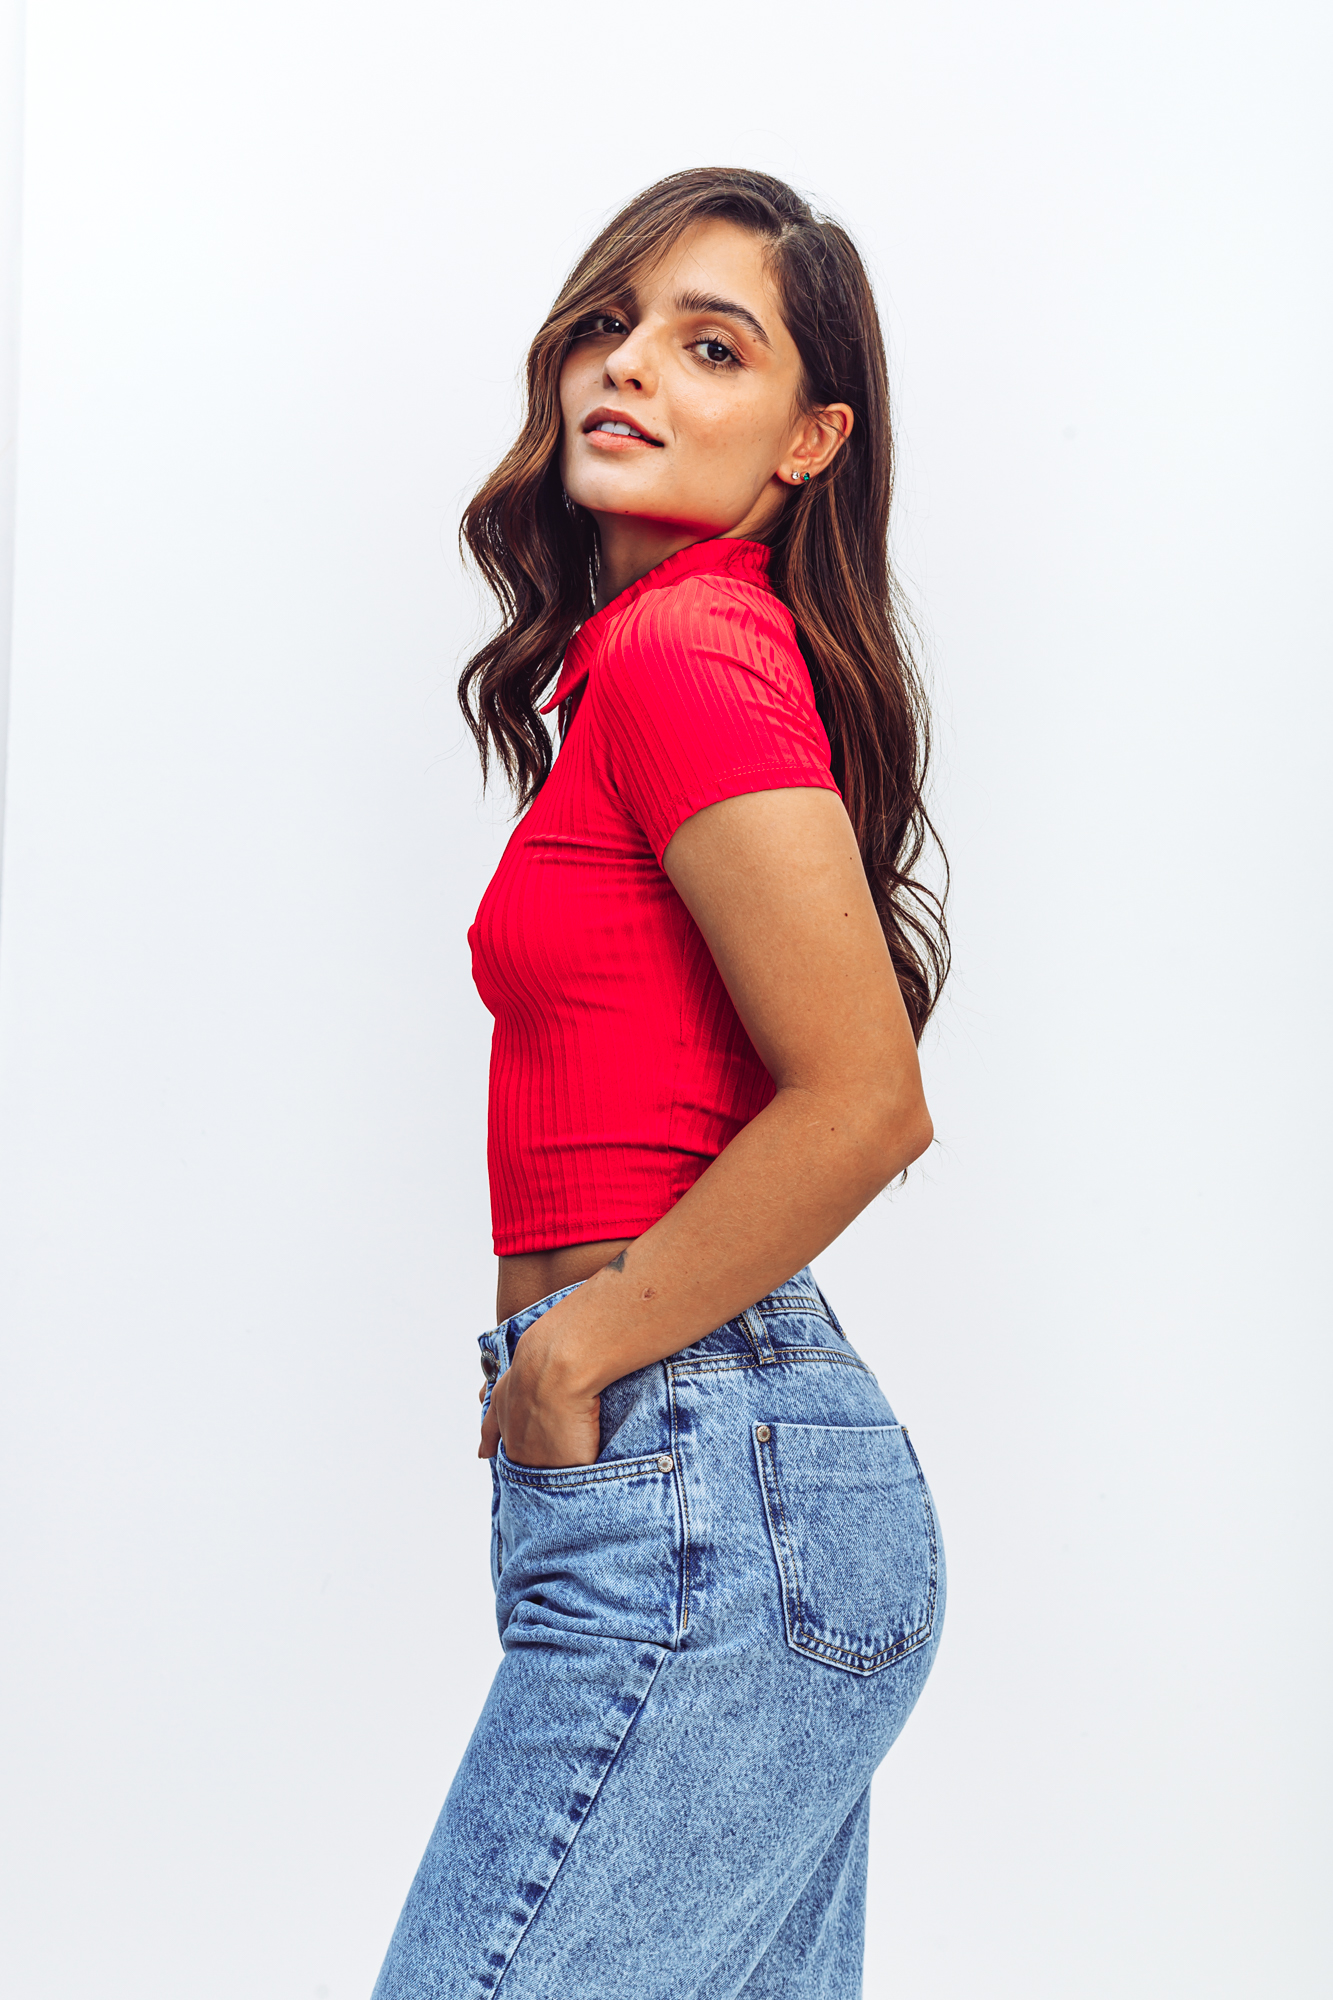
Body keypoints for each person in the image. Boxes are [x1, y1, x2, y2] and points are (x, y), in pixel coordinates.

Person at [372, 166, 949, 1999]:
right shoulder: (638, 663)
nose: (629, 367)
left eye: (714, 348)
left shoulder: (688, 647)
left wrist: (573, 1353)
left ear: (809, 439)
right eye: (612, 325)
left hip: (699, 1475)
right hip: (709, 1485)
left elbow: (862, 1098)